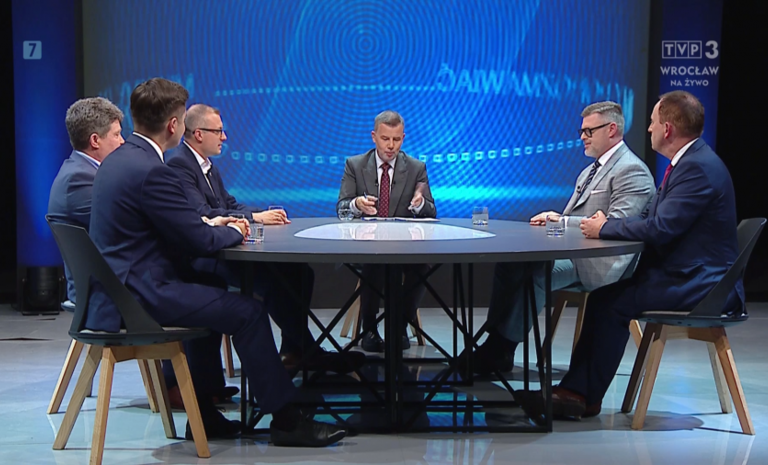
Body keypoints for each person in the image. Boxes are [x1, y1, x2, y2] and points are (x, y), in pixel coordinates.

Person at [87, 77, 346, 446]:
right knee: (248, 312)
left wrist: (212, 225)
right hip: (140, 297)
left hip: (119, 291)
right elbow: (198, 240)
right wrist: (236, 231)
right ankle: (287, 420)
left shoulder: (119, 161)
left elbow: (178, 229)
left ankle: (204, 413)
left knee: (210, 284)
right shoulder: (152, 171)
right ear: (174, 125)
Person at [515, 90, 744, 423]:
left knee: (611, 303)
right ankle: (578, 393)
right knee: (606, 299)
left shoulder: (696, 168)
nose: (648, 129)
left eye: (652, 122)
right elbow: (650, 218)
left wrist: (606, 228)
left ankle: (580, 395)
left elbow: (661, 228)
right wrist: (608, 224)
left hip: (701, 285)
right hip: (687, 275)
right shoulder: (689, 163)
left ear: (667, 129)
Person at [166, 103, 364, 374]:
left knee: (300, 273)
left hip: (222, 247)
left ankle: (294, 351)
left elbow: (229, 204)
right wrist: (255, 218)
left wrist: (261, 214)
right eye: (219, 131)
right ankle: (308, 352)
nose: (224, 137)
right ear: (199, 134)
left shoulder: (207, 165)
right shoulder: (180, 164)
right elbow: (204, 213)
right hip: (205, 257)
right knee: (274, 281)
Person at [464, 101, 655, 375]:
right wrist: (550, 226)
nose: (582, 137)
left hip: (602, 263)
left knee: (537, 272)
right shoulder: (589, 171)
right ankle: (495, 338)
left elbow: (616, 226)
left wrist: (561, 221)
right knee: (510, 263)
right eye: (582, 131)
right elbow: (574, 221)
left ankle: (502, 347)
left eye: (589, 131)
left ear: (612, 129)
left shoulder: (631, 170)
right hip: (575, 253)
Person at [337, 110, 437, 352]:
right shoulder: (355, 165)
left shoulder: (416, 168)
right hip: (366, 248)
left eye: (396, 139)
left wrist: (419, 204)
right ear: (374, 137)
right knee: (375, 262)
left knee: (423, 265)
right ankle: (369, 329)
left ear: (403, 138)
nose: (391, 146)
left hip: (405, 250)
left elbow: (431, 211)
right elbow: (341, 207)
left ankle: (399, 326)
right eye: (385, 139)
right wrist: (356, 204)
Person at [48, 97, 125, 310]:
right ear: (95, 140)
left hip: (108, 282)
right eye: (117, 135)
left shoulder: (83, 171)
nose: (122, 142)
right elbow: (126, 224)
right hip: (102, 291)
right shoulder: (79, 179)